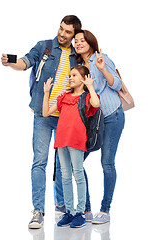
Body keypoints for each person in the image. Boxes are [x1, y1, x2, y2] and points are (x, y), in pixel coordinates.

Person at [1, 15, 82, 229]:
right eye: (61, 29)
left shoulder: (77, 56)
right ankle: (38, 211)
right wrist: (11, 63)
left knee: (63, 164)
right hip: (43, 115)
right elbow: (25, 62)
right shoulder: (44, 47)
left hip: (66, 116)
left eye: (68, 32)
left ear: (74, 36)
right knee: (40, 162)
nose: (62, 34)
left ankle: (62, 206)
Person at [74, 30, 125, 224]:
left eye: (82, 40)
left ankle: (105, 210)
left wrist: (102, 69)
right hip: (93, 121)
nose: (78, 43)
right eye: (76, 41)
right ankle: (86, 209)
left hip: (112, 115)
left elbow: (117, 83)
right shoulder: (79, 67)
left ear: (90, 42)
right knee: (76, 161)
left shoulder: (101, 59)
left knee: (107, 163)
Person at [43, 65, 100, 228]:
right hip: (61, 140)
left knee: (78, 174)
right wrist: (47, 93)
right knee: (65, 176)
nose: (70, 78)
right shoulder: (63, 97)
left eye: (74, 75)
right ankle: (69, 212)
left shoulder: (86, 97)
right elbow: (46, 112)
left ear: (83, 79)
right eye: (70, 75)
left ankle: (80, 213)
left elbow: (95, 104)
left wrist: (90, 86)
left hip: (76, 141)